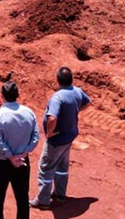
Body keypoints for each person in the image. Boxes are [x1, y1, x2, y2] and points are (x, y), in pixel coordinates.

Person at [0, 81, 40, 219]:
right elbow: (36, 136)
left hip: (2, 163)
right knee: (22, 196)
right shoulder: (29, 113)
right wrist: (23, 153)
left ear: (1, 96)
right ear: (17, 95)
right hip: (22, 162)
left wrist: (10, 157)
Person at [31, 67, 90, 209]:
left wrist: (49, 133)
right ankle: (60, 194)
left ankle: (43, 201)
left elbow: (52, 118)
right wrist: (75, 111)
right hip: (69, 136)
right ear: (71, 79)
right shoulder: (77, 91)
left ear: (58, 81)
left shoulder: (58, 97)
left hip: (56, 140)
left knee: (46, 168)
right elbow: (88, 102)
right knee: (62, 167)